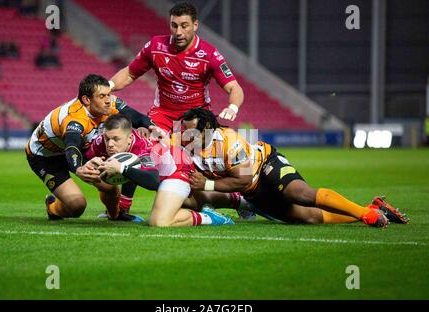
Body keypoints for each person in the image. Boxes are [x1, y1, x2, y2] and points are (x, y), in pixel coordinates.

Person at [178, 108, 410, 228]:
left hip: (266, 166)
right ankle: (371, 208)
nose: (187, 136)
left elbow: (242, 180)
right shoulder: (188, 143)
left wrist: (206, 184)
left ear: (207, 127)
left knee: (300, 194)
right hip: (253, 192)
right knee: (307, 218)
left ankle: (366, 215)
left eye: (192, 131)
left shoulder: (230, 140)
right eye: (184, 131)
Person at [25, 74, 155, 220]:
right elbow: (72, 145)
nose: (108, 100)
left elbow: (134, 116)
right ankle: (53, 208)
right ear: (87, 100)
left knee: (111, 187)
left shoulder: (108, 104)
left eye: (109, 95)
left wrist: (152, 126)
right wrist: (79, 169)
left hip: (78, 148)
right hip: (46, 157)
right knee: (77, 206)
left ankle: (115, 215)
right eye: (102, 96)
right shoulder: (75, 118)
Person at [109, 1, 244, 133]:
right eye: (174, 26)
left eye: (184, 26)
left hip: (197, 117)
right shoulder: (156, 46)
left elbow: (234, 88)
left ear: (195, 25)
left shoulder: (209, 54)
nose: (178, 32)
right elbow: (129, 74)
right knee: (152, 148)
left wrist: (232, 108)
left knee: (200, 151)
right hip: (162, 114)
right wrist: (108, 86)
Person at [92, 114, 236, 227]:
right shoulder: (104, 140)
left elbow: (153, 181)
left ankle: (209, 217)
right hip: (165, 169)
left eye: (116, 139)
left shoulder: (144, 147)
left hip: (177, 170)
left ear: (129, 139)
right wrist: (85, 166)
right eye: (107, 139)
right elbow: (83, 155)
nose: (110, 144)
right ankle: (238, 201)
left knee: (159, 221)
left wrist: (121, 168)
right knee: (191, 203)